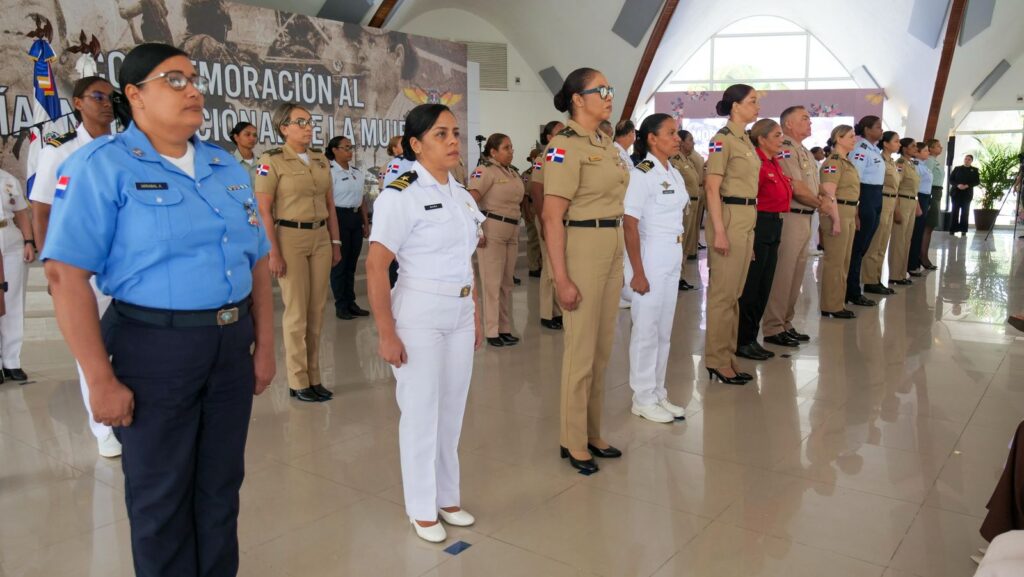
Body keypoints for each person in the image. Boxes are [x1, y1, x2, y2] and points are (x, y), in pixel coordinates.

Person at [41, 43, 274, 577]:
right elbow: (65, 275)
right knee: (161, 498)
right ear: (134, 94)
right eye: (174, 80)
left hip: (230, 346)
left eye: (194, 79)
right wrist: (99, 379)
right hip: (153, 349)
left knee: (220, 488)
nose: (192, 90)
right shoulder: (101, 166)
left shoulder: (224, 164)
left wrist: (263, 347)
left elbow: (257, 260)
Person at [365, 103, 484, 543]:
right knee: (420, 412)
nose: (453, 141)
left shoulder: (461, 194)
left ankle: (448, 497)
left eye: (455, 132)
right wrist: (386, 332)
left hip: (458, 312)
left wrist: (474, 315)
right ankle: (421, 507)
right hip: (418, 314)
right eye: (440, 134)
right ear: (415, 145)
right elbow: (378, 267)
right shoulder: (400, 194)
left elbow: (465, 263)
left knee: (452, 409)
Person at [30, 75, 120, 457]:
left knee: (130, 342)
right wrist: (56, 267)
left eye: (112, 97)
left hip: (127, 262)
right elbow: (42, 209)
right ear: (78, 103)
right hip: (85, 265)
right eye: (98, 96)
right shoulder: (60, 148)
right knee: (92, 346)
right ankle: (103, 429)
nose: (107, 103)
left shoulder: (126, 147)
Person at [542, 68, 627, 472]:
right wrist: (561, 277)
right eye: (601, 90)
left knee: (602, 348)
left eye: (610, 89)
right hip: (583, 244)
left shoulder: (604, 143)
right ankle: (572, 440)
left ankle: (593, 431)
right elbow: (551, 216)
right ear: (578, 98)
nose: (609, 95)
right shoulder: (564, 145)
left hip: (611, 242)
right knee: (580, 350)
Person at [254, 103, 342, 403]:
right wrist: (273, 252)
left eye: (310, 121)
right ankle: (297, 380)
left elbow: (330, 205)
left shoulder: (320, 159)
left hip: (319, 236)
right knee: (296, 312)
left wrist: (335, 242)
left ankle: (314, 376)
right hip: (289, 236)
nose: (308, 126)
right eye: (300, 122)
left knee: (316, 309)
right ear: (284, 128)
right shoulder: (272, 160)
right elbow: (264, 210)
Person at [622, 114, 688, 423]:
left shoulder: (672, 171)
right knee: (646, 328)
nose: (677, 138)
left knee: (664, 329)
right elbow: (630, 223)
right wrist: (637, 271)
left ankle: (658, 392)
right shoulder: (642, 172)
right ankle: (642, 397)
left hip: (673, 252)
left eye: (677, 133)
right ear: (652, 138)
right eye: (671, 133)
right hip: (651, 254)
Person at [703, 83, 760, 385]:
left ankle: (728, 357)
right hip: (729, 216)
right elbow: (712, 188)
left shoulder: (746, 141)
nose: (757, 107)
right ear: (735, 106)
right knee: (723, 295)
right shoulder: (721, 140)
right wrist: (720, 232)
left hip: (746, 218)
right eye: (752, 101)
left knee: (735, 295)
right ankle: (716, 360)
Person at [763, 106, 820, 347]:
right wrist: (822, 204)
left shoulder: (803, 151)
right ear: (788, 124)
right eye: (804, 118)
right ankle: (773, 326)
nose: (810, 122)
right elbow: (797, 186)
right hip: (791, 216)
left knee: (796, 275)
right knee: (783, 274)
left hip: (805, 216)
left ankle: (786, 323)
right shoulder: (785, 148)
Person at [736, 118, 792, 359]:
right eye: (777, 135)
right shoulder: (756, 162)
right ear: (762, 139)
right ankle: (743, 340)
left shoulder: (773, 161)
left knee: (764, 285)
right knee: (752, 286)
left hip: (774, 224)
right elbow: (750, 198)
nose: (782, 140)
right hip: (759, 223)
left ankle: (752, 337)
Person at [468, 133, 523, 347]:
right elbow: (470, 200)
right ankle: (492, 331)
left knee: (506, 283)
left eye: (511, 147)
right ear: (493, 152)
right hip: (492, 228)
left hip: (512, 228)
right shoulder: (485, 171)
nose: (511, 151)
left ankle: (505, 327)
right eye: (506, 148)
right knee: (492, 283)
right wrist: (477, 229)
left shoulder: (512, 173)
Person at [818, 125, 861, 319]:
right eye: (851, 136)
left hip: (848, 210)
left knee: (844, 259)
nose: (854, 139)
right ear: (838, 138)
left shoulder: (846, 162)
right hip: (838, 211)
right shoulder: (833, 161)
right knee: (835, 260)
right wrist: (835, 220)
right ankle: (831, 305)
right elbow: (829, 193)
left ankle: (838, 302)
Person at [327, 135, 371, 320]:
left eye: (351, 147)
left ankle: (351, 302)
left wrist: (365, 222)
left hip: (354, 218)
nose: (350, 151)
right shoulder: (330, 172)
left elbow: (361, 200)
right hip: (338, 218)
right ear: (335, 150)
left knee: (351, 264)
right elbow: (327, 202)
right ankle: (341, 305)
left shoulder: (356, 172)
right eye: (345, 147)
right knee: (340, 264)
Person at [845, 116, 885, 308]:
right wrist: (857, 206)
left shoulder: (874, 150)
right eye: (878, 127)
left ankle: (853, 288)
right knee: (858, 247)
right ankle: (852, 290)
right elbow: (855, 178)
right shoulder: (860, 150)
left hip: (876, 195)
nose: (881, 130)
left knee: (864, 246)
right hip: (866, 196)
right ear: (867, 130)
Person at [529, 120, 565, 330]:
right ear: (549, 138)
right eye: (559, 132)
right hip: (548, 217)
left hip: (561, 218)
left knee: (558, 265)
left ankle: (557, 311)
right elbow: (536, 190)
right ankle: (546, 313)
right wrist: (543, 220)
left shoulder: (561, 157)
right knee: (550, 267)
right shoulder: (543, 159)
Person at [0, 169, 35, 383]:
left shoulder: (8, 179)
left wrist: (28, 241)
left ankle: (12, 361)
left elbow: (21, 212)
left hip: (10, 240)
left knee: (13, 301)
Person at [862, 131, 903, 295]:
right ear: (885, 143)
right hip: (883, 199)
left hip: (891, 201)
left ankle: (877, 278)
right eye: (896, 141)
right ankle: (869, 279)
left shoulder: (891, 162)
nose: (898, 144)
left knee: (883, 242)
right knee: (876, 242)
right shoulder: (879, 160)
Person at [889, 139, 922, 286]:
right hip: (902, 202)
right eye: (913, 146)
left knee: (906, 239)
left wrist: (917, 205)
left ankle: (902, 273)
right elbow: (896, 186)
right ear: (904, 149)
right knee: (899, 239)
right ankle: (895, 274)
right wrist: (896, 208)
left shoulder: (910, 164)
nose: (916, 148)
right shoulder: (901, 163)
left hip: (911, 202)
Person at [672, 129, 702, 291]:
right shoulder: (675, 160)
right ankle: (676, 277)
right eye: (690, 140)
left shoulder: (687, 160)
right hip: (684, 207)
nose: (693, 143)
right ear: (682, 142)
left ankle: (681, 276)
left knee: (689, 243)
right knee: (681, 243)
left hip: (693, 204)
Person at [907, 141, 934, 277]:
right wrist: (918, 202)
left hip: (925, 198)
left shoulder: (923, 166)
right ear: (917, 153)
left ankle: (915, 262)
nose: (928, 153)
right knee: (916, 232)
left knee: (920, 230)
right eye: (925, 151)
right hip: (919, 198)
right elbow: (915, 186)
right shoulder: (916, 166)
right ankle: (912, 264)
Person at [920, 138, 944, 269]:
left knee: (930, 226)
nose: (941, 148)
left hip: (937, 192)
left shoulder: (934, 161)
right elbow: (926, 178)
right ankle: (923, 256)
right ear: (931, 149)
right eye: (938, 146)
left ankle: (924, 255)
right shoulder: (929, 161)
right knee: (928, 226)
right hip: (932, 192)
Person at [522, 148, 543, 277]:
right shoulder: (526, 174)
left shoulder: (543, 172)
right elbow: (524, 196)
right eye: (533, 158)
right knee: (533, 239)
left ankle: (541, 263)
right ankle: (533, 266)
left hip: (541, 206)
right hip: (530, 207)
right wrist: (526, 213)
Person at [949, 154, 980, 236]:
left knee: (965, 212)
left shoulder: (975, 170)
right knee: (955, 211)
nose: (967, 160)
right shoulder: (957, 168)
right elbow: (951, 180)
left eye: (969, 159)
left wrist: (967, 185)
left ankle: (963, 230)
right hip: (956, 193)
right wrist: (958, 185)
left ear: (971, 161)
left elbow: (977, 181)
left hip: (967, 194)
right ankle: (953, 229)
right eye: (966, 159)